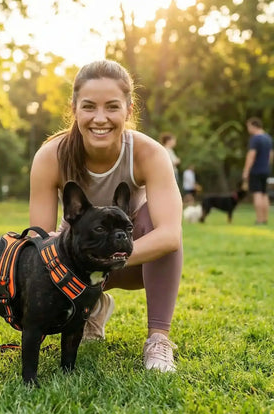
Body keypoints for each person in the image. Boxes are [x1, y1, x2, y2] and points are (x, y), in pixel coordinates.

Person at [29, 60, 183, 373]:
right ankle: (90, 306)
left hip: (133, 263)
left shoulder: (149, 153)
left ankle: (158, 338)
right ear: (74, 108)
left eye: (112, 107)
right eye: (89, 107)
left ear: (128, 109)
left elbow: (170, 235)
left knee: (156, 216)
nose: (100, 118)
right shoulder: (51, 155)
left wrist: (110, 257)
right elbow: (36, 239)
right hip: (73, 265)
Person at [242, 117, 273, 225]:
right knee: (265, 194)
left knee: (257, 194)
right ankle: (265, 219)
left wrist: (246, 170)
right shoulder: (268, 138)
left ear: (253, 126)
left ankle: (259, 220)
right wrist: (267, 165)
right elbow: (271, 155)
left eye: (248, 127)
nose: (248, 129)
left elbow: (251, 155)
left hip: (256, 170)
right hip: (266, 170)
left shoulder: (255, 139)